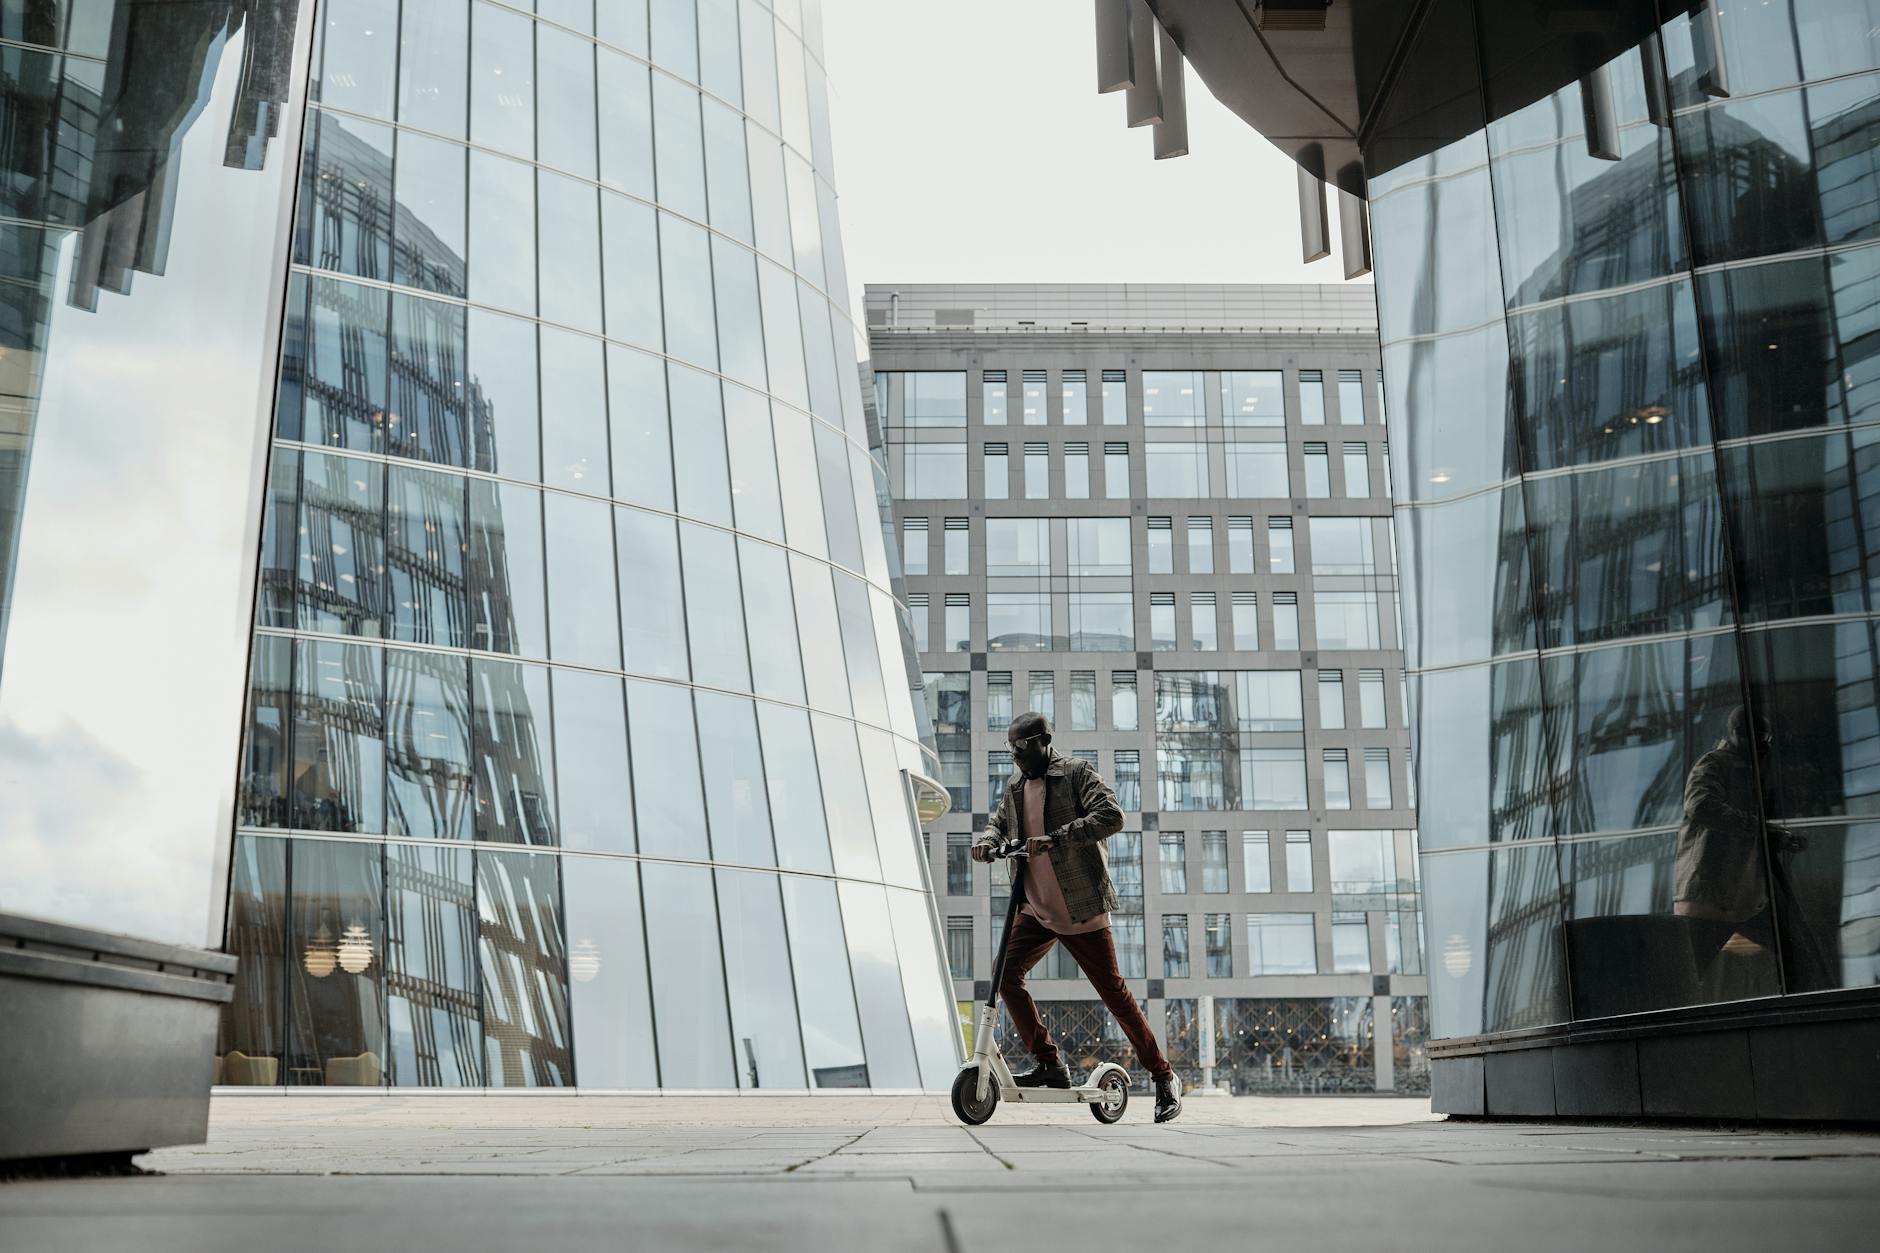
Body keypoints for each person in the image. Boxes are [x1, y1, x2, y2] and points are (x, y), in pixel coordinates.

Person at [973, 712, 1182, 1123]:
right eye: (1009, 747)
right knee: (1005, 974)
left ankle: (1164, 1077)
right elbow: (1000, 824)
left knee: (1115, 997)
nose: (1014, 755)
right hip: (1034, 907)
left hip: (1081, 907)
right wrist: (989, 841)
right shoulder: (1015, 786)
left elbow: (1112, 816)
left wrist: (1057, 838)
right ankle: (1049, 1063)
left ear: (1044, 740)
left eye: (1021, 746)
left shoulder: (1075, 772)